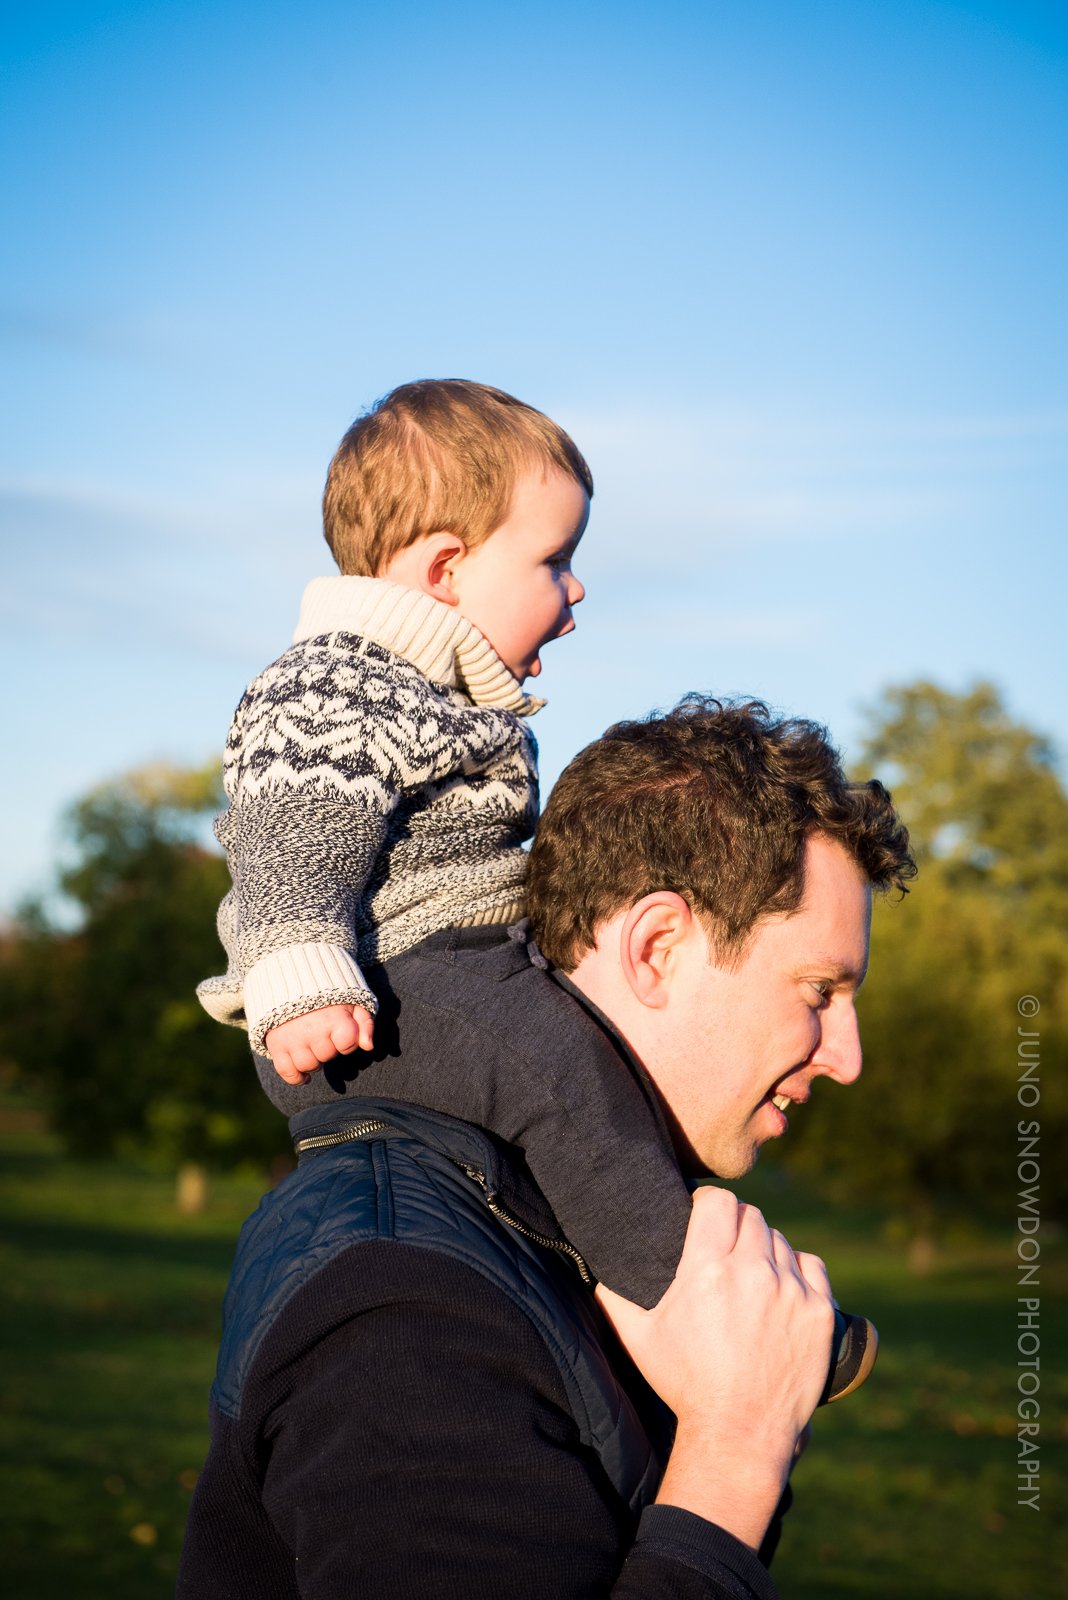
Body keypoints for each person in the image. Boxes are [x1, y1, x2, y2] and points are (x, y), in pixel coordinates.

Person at [178, 697, 915, 1598]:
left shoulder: (546, 1227)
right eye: (818, 991)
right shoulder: (408, 1304)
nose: (849, 1058)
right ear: (657, 947)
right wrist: (736, 1453)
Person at [196, 377, 694, 1303]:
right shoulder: (332, 682)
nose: (576, 584)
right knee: (558, 1074)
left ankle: (626, 1272)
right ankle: (694, 1303)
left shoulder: (435, 693)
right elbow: (288, 839)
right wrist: (302, 975)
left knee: (605, 1062)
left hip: (455, 974)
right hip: (374, 995)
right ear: (445, 569)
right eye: (554, 558)